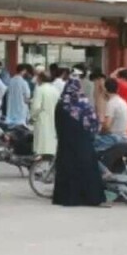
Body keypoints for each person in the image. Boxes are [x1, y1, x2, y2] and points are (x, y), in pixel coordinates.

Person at [52, 78, 107, 207]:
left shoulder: (61, 105)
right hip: (83, 144)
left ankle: (66, 198)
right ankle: (90, 198)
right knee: (87, 169)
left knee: (67, 170)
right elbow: (93, 123)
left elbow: (57, 125)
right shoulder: (84, 104)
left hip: (66, 145)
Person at [97, 79, 127, 151]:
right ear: (117, 89)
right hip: (124, 137)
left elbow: (107, 126)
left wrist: (99, 133)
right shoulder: (123, 102)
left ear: (105, 90)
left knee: (90, 144)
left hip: (114, 138)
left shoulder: (111, 103)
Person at [31, 72, 59, 156]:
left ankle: (41, 155)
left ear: (41, 79)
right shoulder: (55, 90)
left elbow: (36, 107)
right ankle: (51, 154)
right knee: (51, 137)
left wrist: (33, 116)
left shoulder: (39, 89)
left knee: (42, 139)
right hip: (54, 117)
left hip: (42, 117)